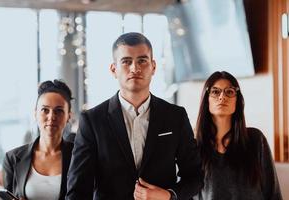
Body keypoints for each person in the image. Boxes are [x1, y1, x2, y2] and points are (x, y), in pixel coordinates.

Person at [66, 32, 203, 200]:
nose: (135, 68)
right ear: (113, 69)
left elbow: (195, 176)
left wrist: (169, 195)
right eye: (126, 61)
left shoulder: (176, 116)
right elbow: (78, 190)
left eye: (142, 61)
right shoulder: (93, 120)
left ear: (153, 67)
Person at [194, 71, 282, 200]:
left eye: (229, 92)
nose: (222, 97)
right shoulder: (193, 146)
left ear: (237, 100)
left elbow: (273, 193)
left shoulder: (256, 140)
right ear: (206, 99)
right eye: (215, 92)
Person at [3, 79, 74, 200]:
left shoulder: (78, 156)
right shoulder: (12, 158)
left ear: (68, 116)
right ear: (35, 113)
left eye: (59, 111)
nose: (51, 117)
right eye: (45, 110)